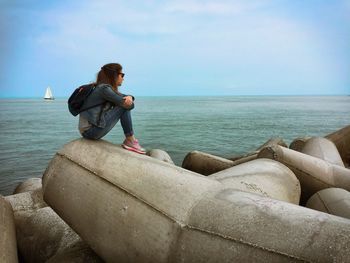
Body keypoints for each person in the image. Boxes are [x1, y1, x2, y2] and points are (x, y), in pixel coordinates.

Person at [78, 63, 146, 154]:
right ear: (114, 75)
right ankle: (130, 140)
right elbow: (129, 105)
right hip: (90, 132)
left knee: (123, 104)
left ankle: (130, 140)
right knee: (123, 106)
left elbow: (125, 99)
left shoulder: (102, 88)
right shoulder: (104, 89)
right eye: (122, 75)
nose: (123, 78)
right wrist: (129, 99)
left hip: (88, 131)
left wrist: (130, 97)